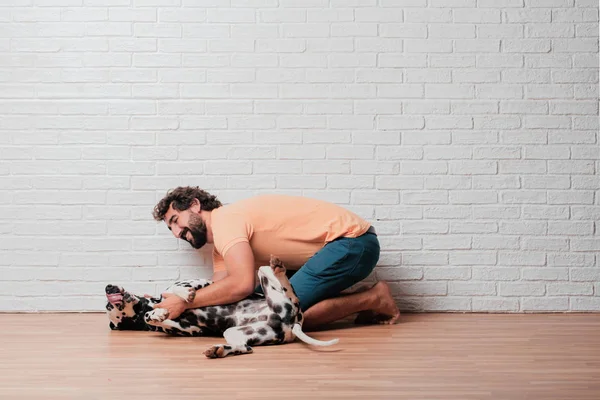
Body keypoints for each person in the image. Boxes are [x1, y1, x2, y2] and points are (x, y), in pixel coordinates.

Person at [151, 186, 400, 331]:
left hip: (352, 243)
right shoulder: (221, 247)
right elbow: (222, 293)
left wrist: (184, 302)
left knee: (281, 316)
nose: (176, 233)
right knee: (258, 302)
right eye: (170, 228)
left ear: (195, 205)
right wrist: (166, 304)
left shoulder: (225, 219)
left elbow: (240, 284)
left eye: (175, 221)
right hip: (340, 248)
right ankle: (367, 299)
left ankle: (373, 298)